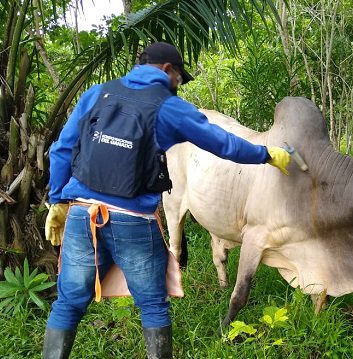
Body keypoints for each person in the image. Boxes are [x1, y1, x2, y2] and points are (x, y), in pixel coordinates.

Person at [43, 41, 291, 359]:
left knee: (68, 302)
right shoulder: (168, 107)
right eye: (179, 79)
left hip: (81, 216)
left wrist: (58, 201)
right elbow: (223, 143)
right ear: (166, 70)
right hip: (133, 221)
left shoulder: (98, 93)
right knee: (153, 305)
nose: (178, 86)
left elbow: (61, 149)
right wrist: (267, 153)